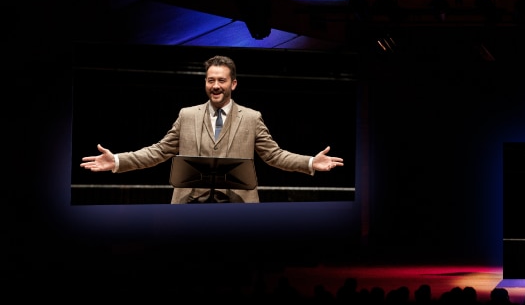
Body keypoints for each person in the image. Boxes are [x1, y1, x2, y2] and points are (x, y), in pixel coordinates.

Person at [80, 55, 343, 203]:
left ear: (234, 84)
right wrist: (116, 161)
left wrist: (310, 162)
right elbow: (158, 152)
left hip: (237, 208)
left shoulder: (251, 118)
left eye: (221, 80)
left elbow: (274, 155)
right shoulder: (186, 115)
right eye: (210, 80)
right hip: (190, 207)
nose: (215, 85)